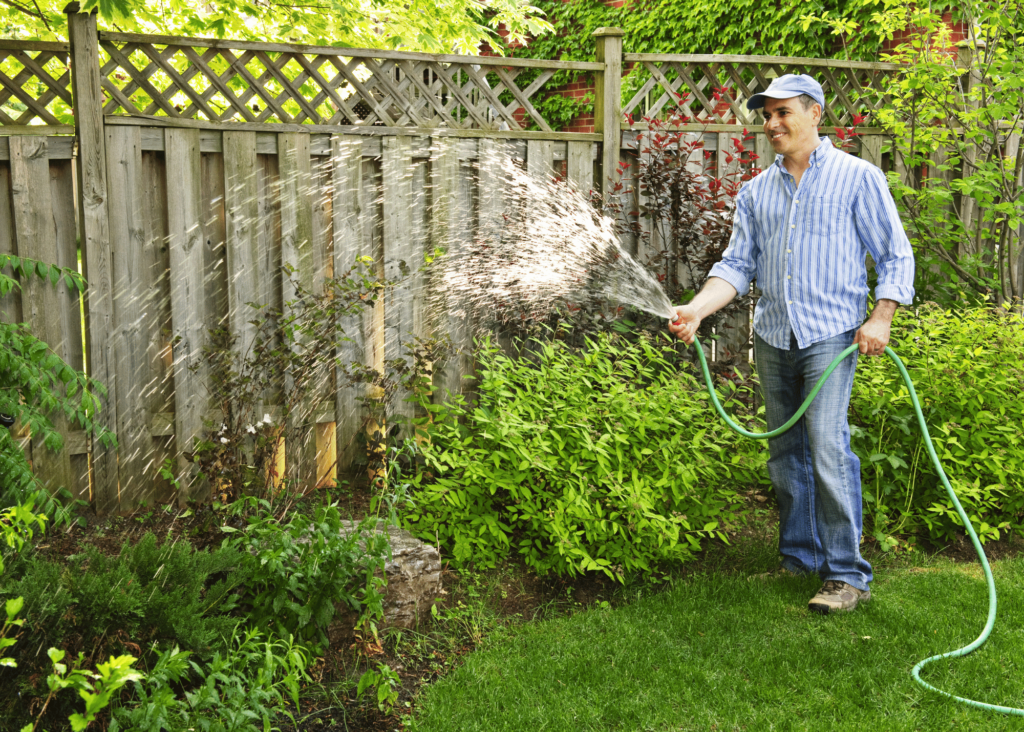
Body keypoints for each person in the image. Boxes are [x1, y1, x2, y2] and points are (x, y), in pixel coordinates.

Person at [668, 74, 915, 614]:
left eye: (783, 113)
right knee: (785, 453)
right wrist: (696, 310)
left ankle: (847, 574)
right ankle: (799, 557)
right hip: (774, 335)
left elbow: (895, 255)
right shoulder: (757, 191)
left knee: (827, 446)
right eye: (767, 115)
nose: (772, 124)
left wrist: (881, 317)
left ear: (815, 113)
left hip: (831, 335)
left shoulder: (857, 178)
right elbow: (735, 267)